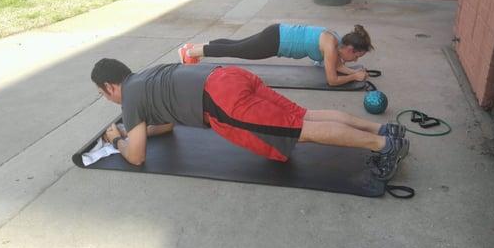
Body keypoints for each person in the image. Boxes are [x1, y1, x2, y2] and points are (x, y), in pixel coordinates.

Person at [91, 58, 409, 180]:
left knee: (300, 130)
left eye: (104, 94)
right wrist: (141, 129)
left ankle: (383, 145)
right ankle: (383, 129)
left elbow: (136, 156)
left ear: (109, 87)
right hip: (228, 74)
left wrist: (116, 138)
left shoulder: (129, 97)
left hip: (221, 98)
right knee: (302, 115)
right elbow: (169, 125)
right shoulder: (146, 76)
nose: (109, 99)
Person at [178, 24, 374, 87]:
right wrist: (354, 76)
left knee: (237, 45)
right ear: (349, 49)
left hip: (277, 32)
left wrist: (354, 71)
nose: (356, 60)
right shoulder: (331, 48)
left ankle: (194, 46)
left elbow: (337, 66)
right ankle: (190, 53)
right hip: (275, 42)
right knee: (236, 50)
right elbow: (332, 79)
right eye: (357, 57)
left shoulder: (335, 39)